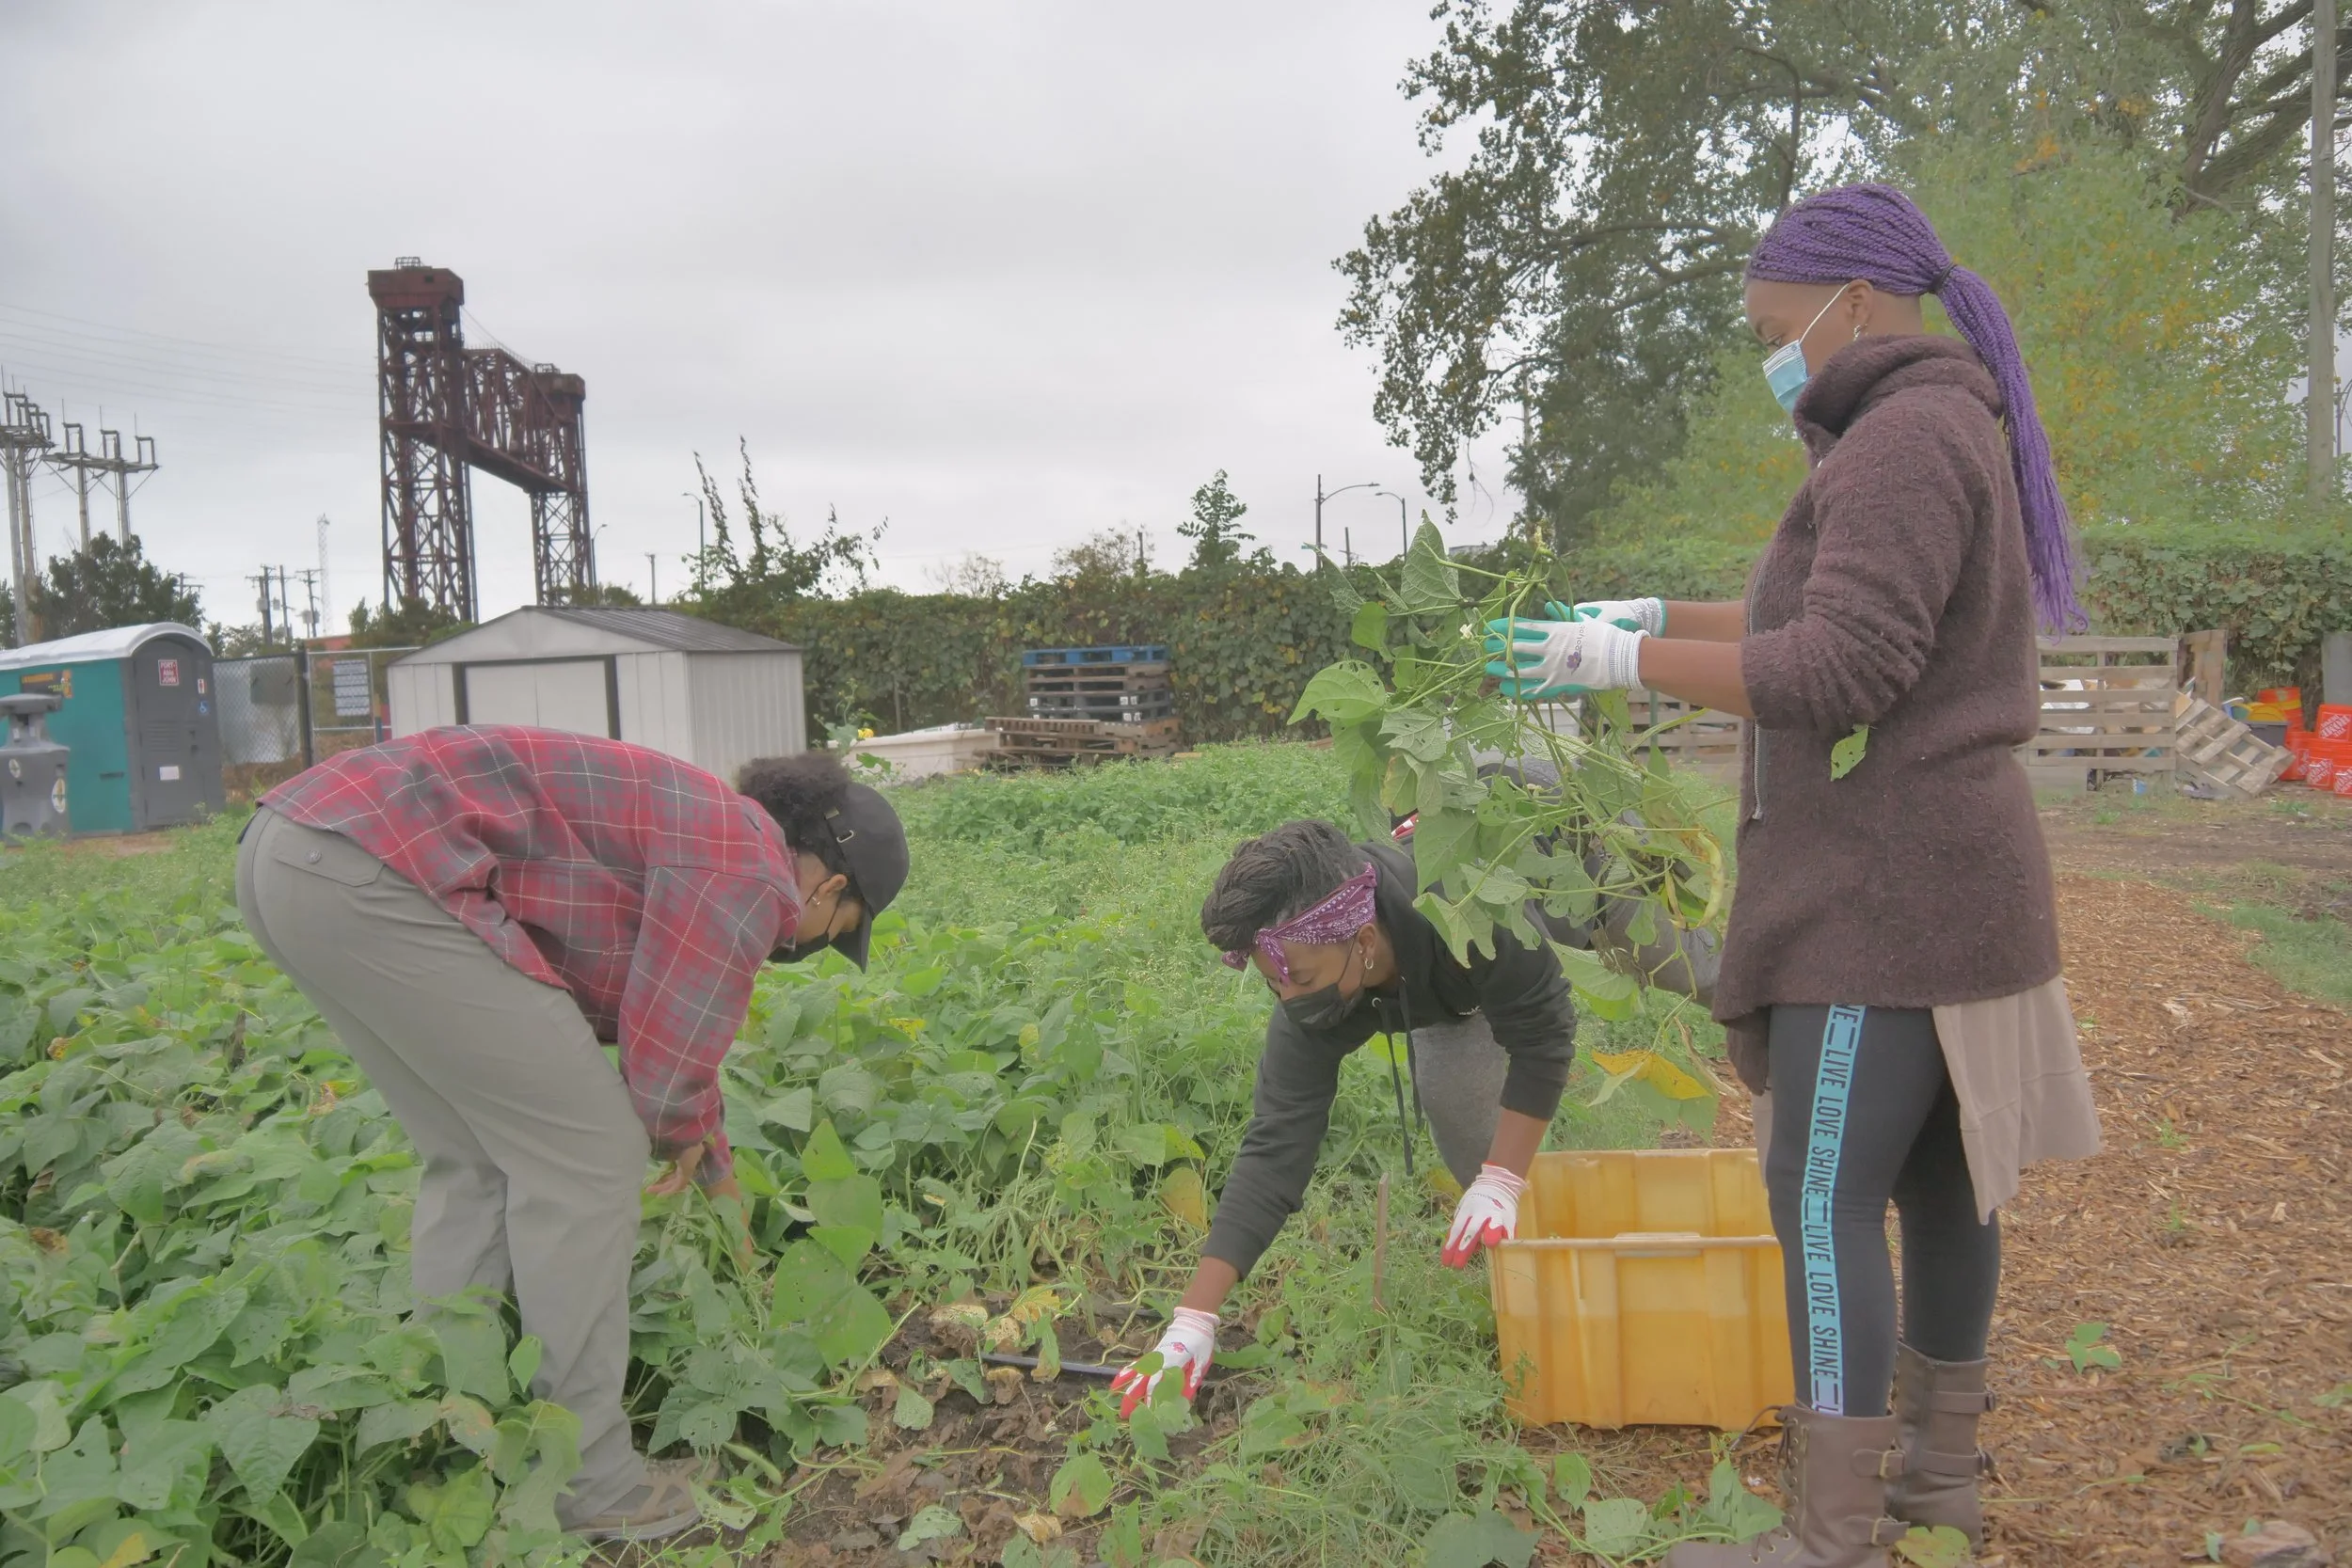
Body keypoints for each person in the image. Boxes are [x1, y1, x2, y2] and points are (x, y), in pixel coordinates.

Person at [1484, 183, 2101, 1568]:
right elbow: (1811, 615)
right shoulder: (1944, 427)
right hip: (1966, 888)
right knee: (1946, 1190)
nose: (1776, 359)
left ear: (1857, 306)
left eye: (1779, 330)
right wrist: (1650, 615)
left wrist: (1617, 664)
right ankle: (1933, 1493)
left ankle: (1833, 1541)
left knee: (1817, 1197)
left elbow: (1838, 668)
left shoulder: (1896, 441)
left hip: (1883, 905)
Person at [234, 726, 908, 1544]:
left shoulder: (711, 826)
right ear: (829, 885)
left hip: (299, 852)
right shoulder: (750, 864)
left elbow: (663, 1028)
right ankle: (591, 1479)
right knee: (592, 1157)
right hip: (375, 866)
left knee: (477, 1156)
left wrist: (713, 1163)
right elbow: (663, 1084)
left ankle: (455, 1432)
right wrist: (690, 1143)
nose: (811, 944)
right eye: (837, 928)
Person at [1109, 817, 1580, 1418]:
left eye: (1299, 978)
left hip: (1569, 871)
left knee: (1709, 975)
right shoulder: (1309, 979)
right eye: (1273, 984)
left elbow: (1544, 1029)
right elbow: (1275, 1142)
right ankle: (1538, 1290)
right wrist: (1193, 1319)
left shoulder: (1468, 900)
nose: (1289, 999)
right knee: (1458, 1110)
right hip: (1446, 989)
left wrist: (1505, 1176)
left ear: (1362, 940)